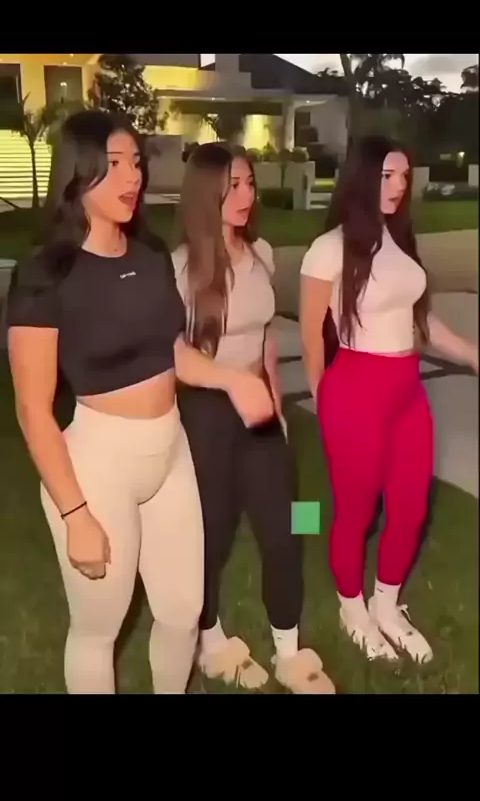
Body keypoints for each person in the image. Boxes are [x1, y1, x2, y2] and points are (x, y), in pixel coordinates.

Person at [6, 110, 274, 695]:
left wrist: (231, 379)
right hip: (98, 463)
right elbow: (33, 409)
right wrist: (76, 514)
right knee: (98, 629)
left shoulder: (150, 255)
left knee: (182, 612)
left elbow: (169, 352)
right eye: (115, 165)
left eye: (135, 163)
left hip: (170, 451)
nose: (133, 177)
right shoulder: (46, 274)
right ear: (79, 173)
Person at [300, 135, 478, 664]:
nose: (399, 186)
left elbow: (421, 321)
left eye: (403, 176)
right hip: (355, 390)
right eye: (387, 175)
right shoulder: (330, 248)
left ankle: (387, 603)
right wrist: (324, 402)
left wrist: (471, 353)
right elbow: (311, 337)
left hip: (406, 393)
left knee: (410, 507)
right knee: (356, 510)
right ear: (362, 177)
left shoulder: (399, 242)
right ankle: (350, 608)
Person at [171, 142, 335, 694]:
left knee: (288, 525)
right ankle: (209, 637)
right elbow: (173, 353)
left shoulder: (262, 251)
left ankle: (289, 648)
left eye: (249, 184)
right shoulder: (181, 267)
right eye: (233, 186)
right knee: (212, 534)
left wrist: (277, 403)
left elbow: (264, 338)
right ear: (206, 193)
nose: (246, 196)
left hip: (260, 406)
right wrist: (230, 385)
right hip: (206, 411)